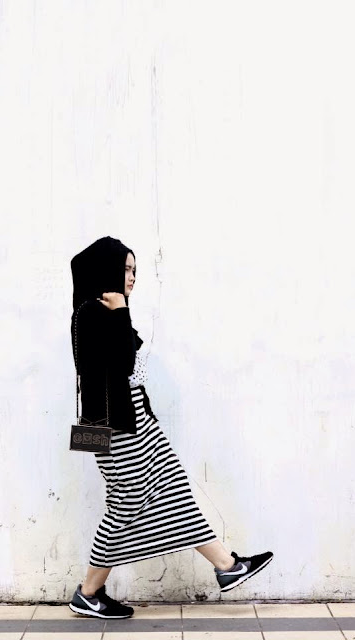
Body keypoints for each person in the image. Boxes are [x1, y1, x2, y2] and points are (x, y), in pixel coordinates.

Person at [68, 236, 273, 619]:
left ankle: (227, 566)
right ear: (106, 268)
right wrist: (122, 313)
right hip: (115, 427)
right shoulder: (92, 311)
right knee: (125, 503)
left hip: (137, 421)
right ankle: (88, 592)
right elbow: (124, 364)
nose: (132, 277)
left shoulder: (105, 309)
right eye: (125, 269)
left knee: (174, 485)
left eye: (135, 270)